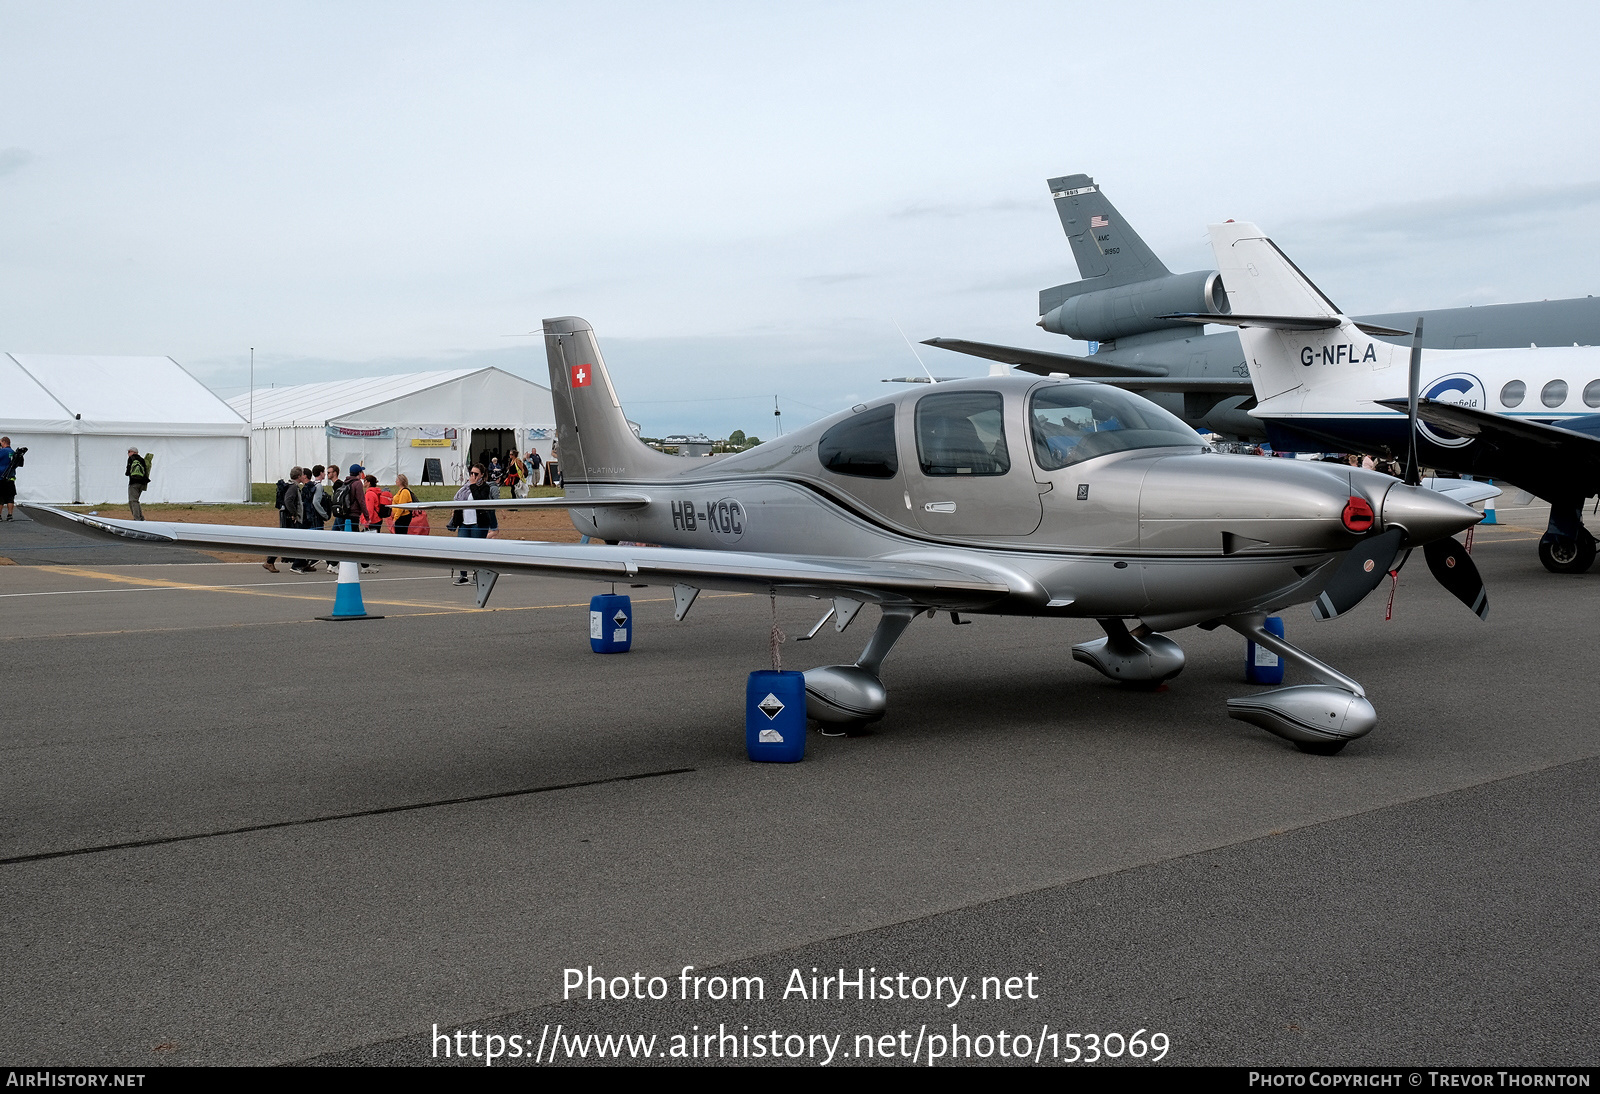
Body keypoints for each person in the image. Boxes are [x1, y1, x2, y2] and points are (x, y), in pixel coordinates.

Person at [449, 463, 497, 585]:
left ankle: (478, 575)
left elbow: (478, 499)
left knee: (476, 549)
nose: (473, 476)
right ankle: (463, 576)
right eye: (471, 473)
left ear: (482, 475)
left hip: (478, 523)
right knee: (462, 548)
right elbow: (458, 500)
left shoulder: (485, 487)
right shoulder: (465, 487)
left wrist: (474, 485)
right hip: (465, 522)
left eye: (476, 474)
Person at [265, 466, 308, 573]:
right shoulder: (293, 487)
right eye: (302, 474)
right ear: (299, 476)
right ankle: (273, 561)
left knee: (288, 540)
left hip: (288, 517)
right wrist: (294, 514)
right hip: (290, 518)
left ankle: (302, 563)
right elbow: (288, 500)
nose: (304, 476)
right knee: (291, 540)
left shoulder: (292, 486)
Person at [124, 448, 152, 520]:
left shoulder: (131, 459)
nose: (128, 453)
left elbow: (127, 472)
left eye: (129, 452)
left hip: (134, 482)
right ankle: (141, 517)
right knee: (136, 500)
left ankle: (137, 518)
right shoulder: (142, 460)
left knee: (133, 501)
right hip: (142, 483)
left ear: (133, 452)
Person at [0, 437, 18, 521]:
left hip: (1, 477)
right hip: (11, 478)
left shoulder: (2, 451)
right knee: (10, 497)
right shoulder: (13, 452)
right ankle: (10, 515)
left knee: (1, 498)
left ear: (4, 442)